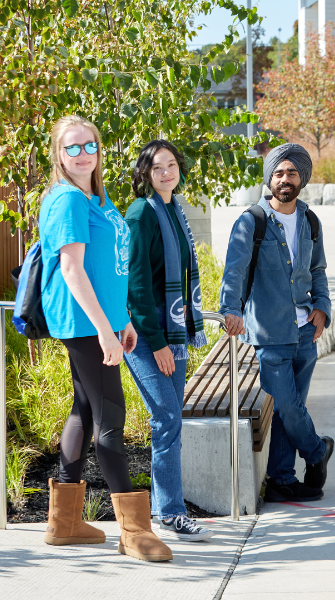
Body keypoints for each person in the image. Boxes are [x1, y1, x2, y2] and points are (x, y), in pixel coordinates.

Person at [39, 115, 172, 562]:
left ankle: (65, 523)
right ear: (58, 155)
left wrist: (123, 321)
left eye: (89, 146)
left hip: (103, 321)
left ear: (99, 149)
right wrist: (102, 331)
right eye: (71, 148)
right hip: (82, 324)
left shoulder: (94, 196)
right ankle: (134, 531)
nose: (81, 155)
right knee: (112, 416)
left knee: (83, 411)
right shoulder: (69, 201)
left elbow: (108, 263)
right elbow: (73, 270)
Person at [219, 143, 334, 502]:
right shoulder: (251, 221)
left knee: (290, 410)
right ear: (269, 178)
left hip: (305, 331)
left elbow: (317, 270)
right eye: (279, 173)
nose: (285, 179)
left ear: (302, 179)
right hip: (269, 332)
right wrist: (230, 309)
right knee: (285, 404)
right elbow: (234, 272)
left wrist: (323, 307)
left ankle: (282, 479)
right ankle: (317, 451)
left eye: (292, 173)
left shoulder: (310, 220)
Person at [124, 140, 213, 541]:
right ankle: (173, 513)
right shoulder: (142, 212)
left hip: (172, 329)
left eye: (171, 165)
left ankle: (165, 508)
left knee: (170, 422)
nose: (166, 172)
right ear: (145, 173)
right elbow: (136, 284)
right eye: (157, 167)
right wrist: (157, 342)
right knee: (166, 420)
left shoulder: (175, 208)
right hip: (148, 332)